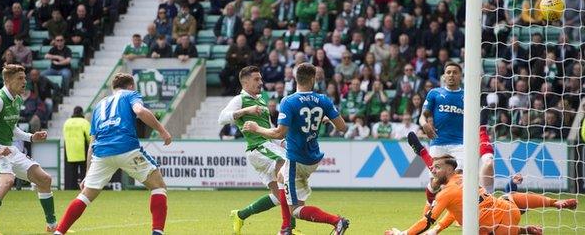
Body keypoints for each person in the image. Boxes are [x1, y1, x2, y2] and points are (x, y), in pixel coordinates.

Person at [55, 73, 173, 235]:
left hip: (101, 153)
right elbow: (139, 110)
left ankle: (59, 232)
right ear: (131, 86)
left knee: (85, 196)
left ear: (113, 88)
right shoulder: (131, 95)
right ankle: (157, 233)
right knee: (158, 186)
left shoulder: (99, 105)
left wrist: (88, 174)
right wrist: (163, 131)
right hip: (126, 148)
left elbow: (92, 144)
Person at [243, 63, 350, 235]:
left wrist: (257, 129)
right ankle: (286, 228)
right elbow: (343, 127)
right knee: (279, 177)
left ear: (295, 79)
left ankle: (337, 221)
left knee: (296, 210)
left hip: (296, 159)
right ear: (314, 79)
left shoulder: (289, 101)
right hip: (313, 157)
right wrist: (327, 119)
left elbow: (279, 133)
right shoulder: (323, 100)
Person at [384, 156, 578, 235]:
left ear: (450, 169)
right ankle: (555, 202)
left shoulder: (447, 192)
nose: (433, 170)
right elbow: (457, 210)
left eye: (437, 167)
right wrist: (438, 227)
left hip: (497, 228)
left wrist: (402, 234)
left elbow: (426, 221)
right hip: (508, 210)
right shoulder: (464, 179)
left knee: (480, 228)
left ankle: (524, 230)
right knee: (508, 196)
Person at [218, 66, 301, 234]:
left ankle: (240, 215)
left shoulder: (261, 99)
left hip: (267, 146)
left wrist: (283, 141)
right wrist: (245, 111)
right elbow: (222, 119)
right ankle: (289, 229)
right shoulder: (240, 99)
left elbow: (269, 128)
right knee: (287, 171)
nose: (261, 82)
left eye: (261, 79)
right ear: (245, 81)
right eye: (256, 79)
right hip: (258, 147)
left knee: (280, 196)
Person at [0, 64, 55, 234]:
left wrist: (31, 137)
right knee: (7, 181)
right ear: (8, 80)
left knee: (45, 179)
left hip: (9, 149)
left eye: (24, 78)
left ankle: (53, 226)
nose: (25, 81)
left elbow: (12, 129)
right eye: (20, 78)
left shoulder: (17, 99)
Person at [410, 62, 496, 214]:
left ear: (460, 76)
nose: (451, 75)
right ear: (444, 76)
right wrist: (424, 125)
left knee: (459, 180)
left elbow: (478, 118)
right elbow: (423, 117)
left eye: (454, 72)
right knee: (436, 182)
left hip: (461, 144)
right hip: (438, 142)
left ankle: (461, 214)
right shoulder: (434, 93)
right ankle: (429, 204)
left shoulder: (468, 95)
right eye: (448, 72)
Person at [62, 106, 91, 190]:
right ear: (82, 113)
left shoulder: (67, 122)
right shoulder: (84, 122)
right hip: (82, 150)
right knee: (83, 171)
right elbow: (89, 136)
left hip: (70, 150)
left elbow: (64, 135)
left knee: (72, 172)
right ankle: (84, 188)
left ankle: (72, 188)